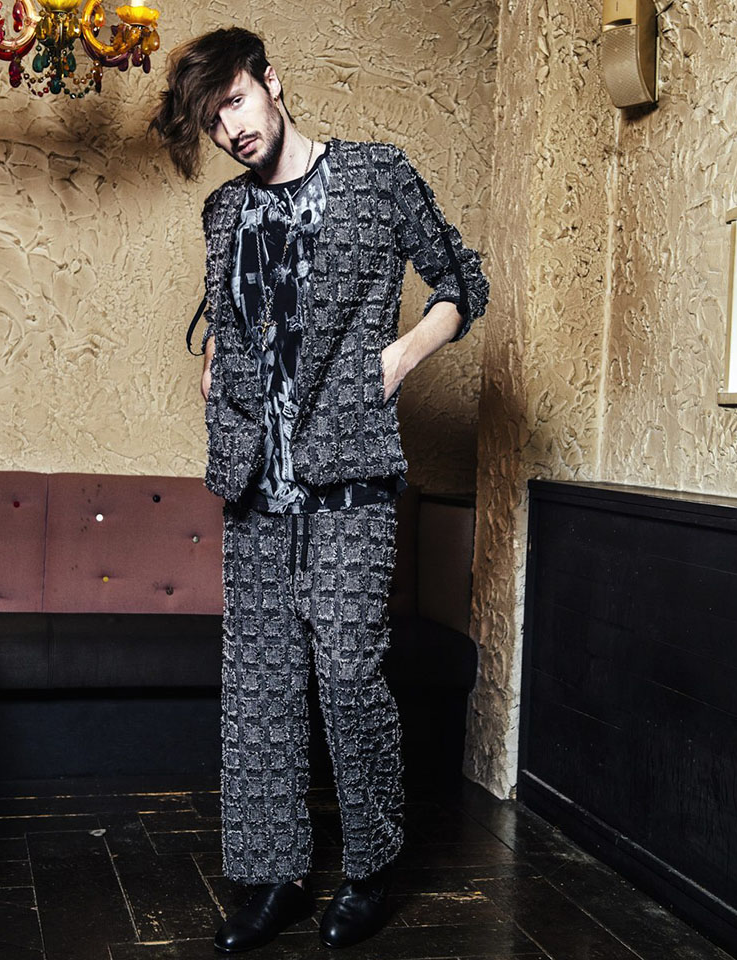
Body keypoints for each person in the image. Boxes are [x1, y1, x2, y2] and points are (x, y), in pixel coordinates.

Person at [149, 25, 489, 954]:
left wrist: (400, 357)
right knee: (261, 686)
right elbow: (237, 317)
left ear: (272, 82)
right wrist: (218, 363)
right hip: (255, 484)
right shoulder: (223, 211)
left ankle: (372, 868)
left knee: (347, 673)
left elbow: (461, 282)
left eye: (235, 102)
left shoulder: (375, 175)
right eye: (212, 122)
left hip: (351, 478)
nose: (230, 130)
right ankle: (275, 880)